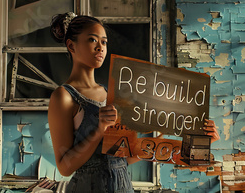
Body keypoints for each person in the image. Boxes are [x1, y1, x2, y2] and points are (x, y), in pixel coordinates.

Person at [47, 12, 220, 193]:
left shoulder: (111, 93)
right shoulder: (64, 97)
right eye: (92, 40)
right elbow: (64, 168)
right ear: (71, 45)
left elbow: (123, 158)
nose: (100, 47)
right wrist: (99, 130)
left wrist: (200, 144)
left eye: (104, 42)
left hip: (123, 187)